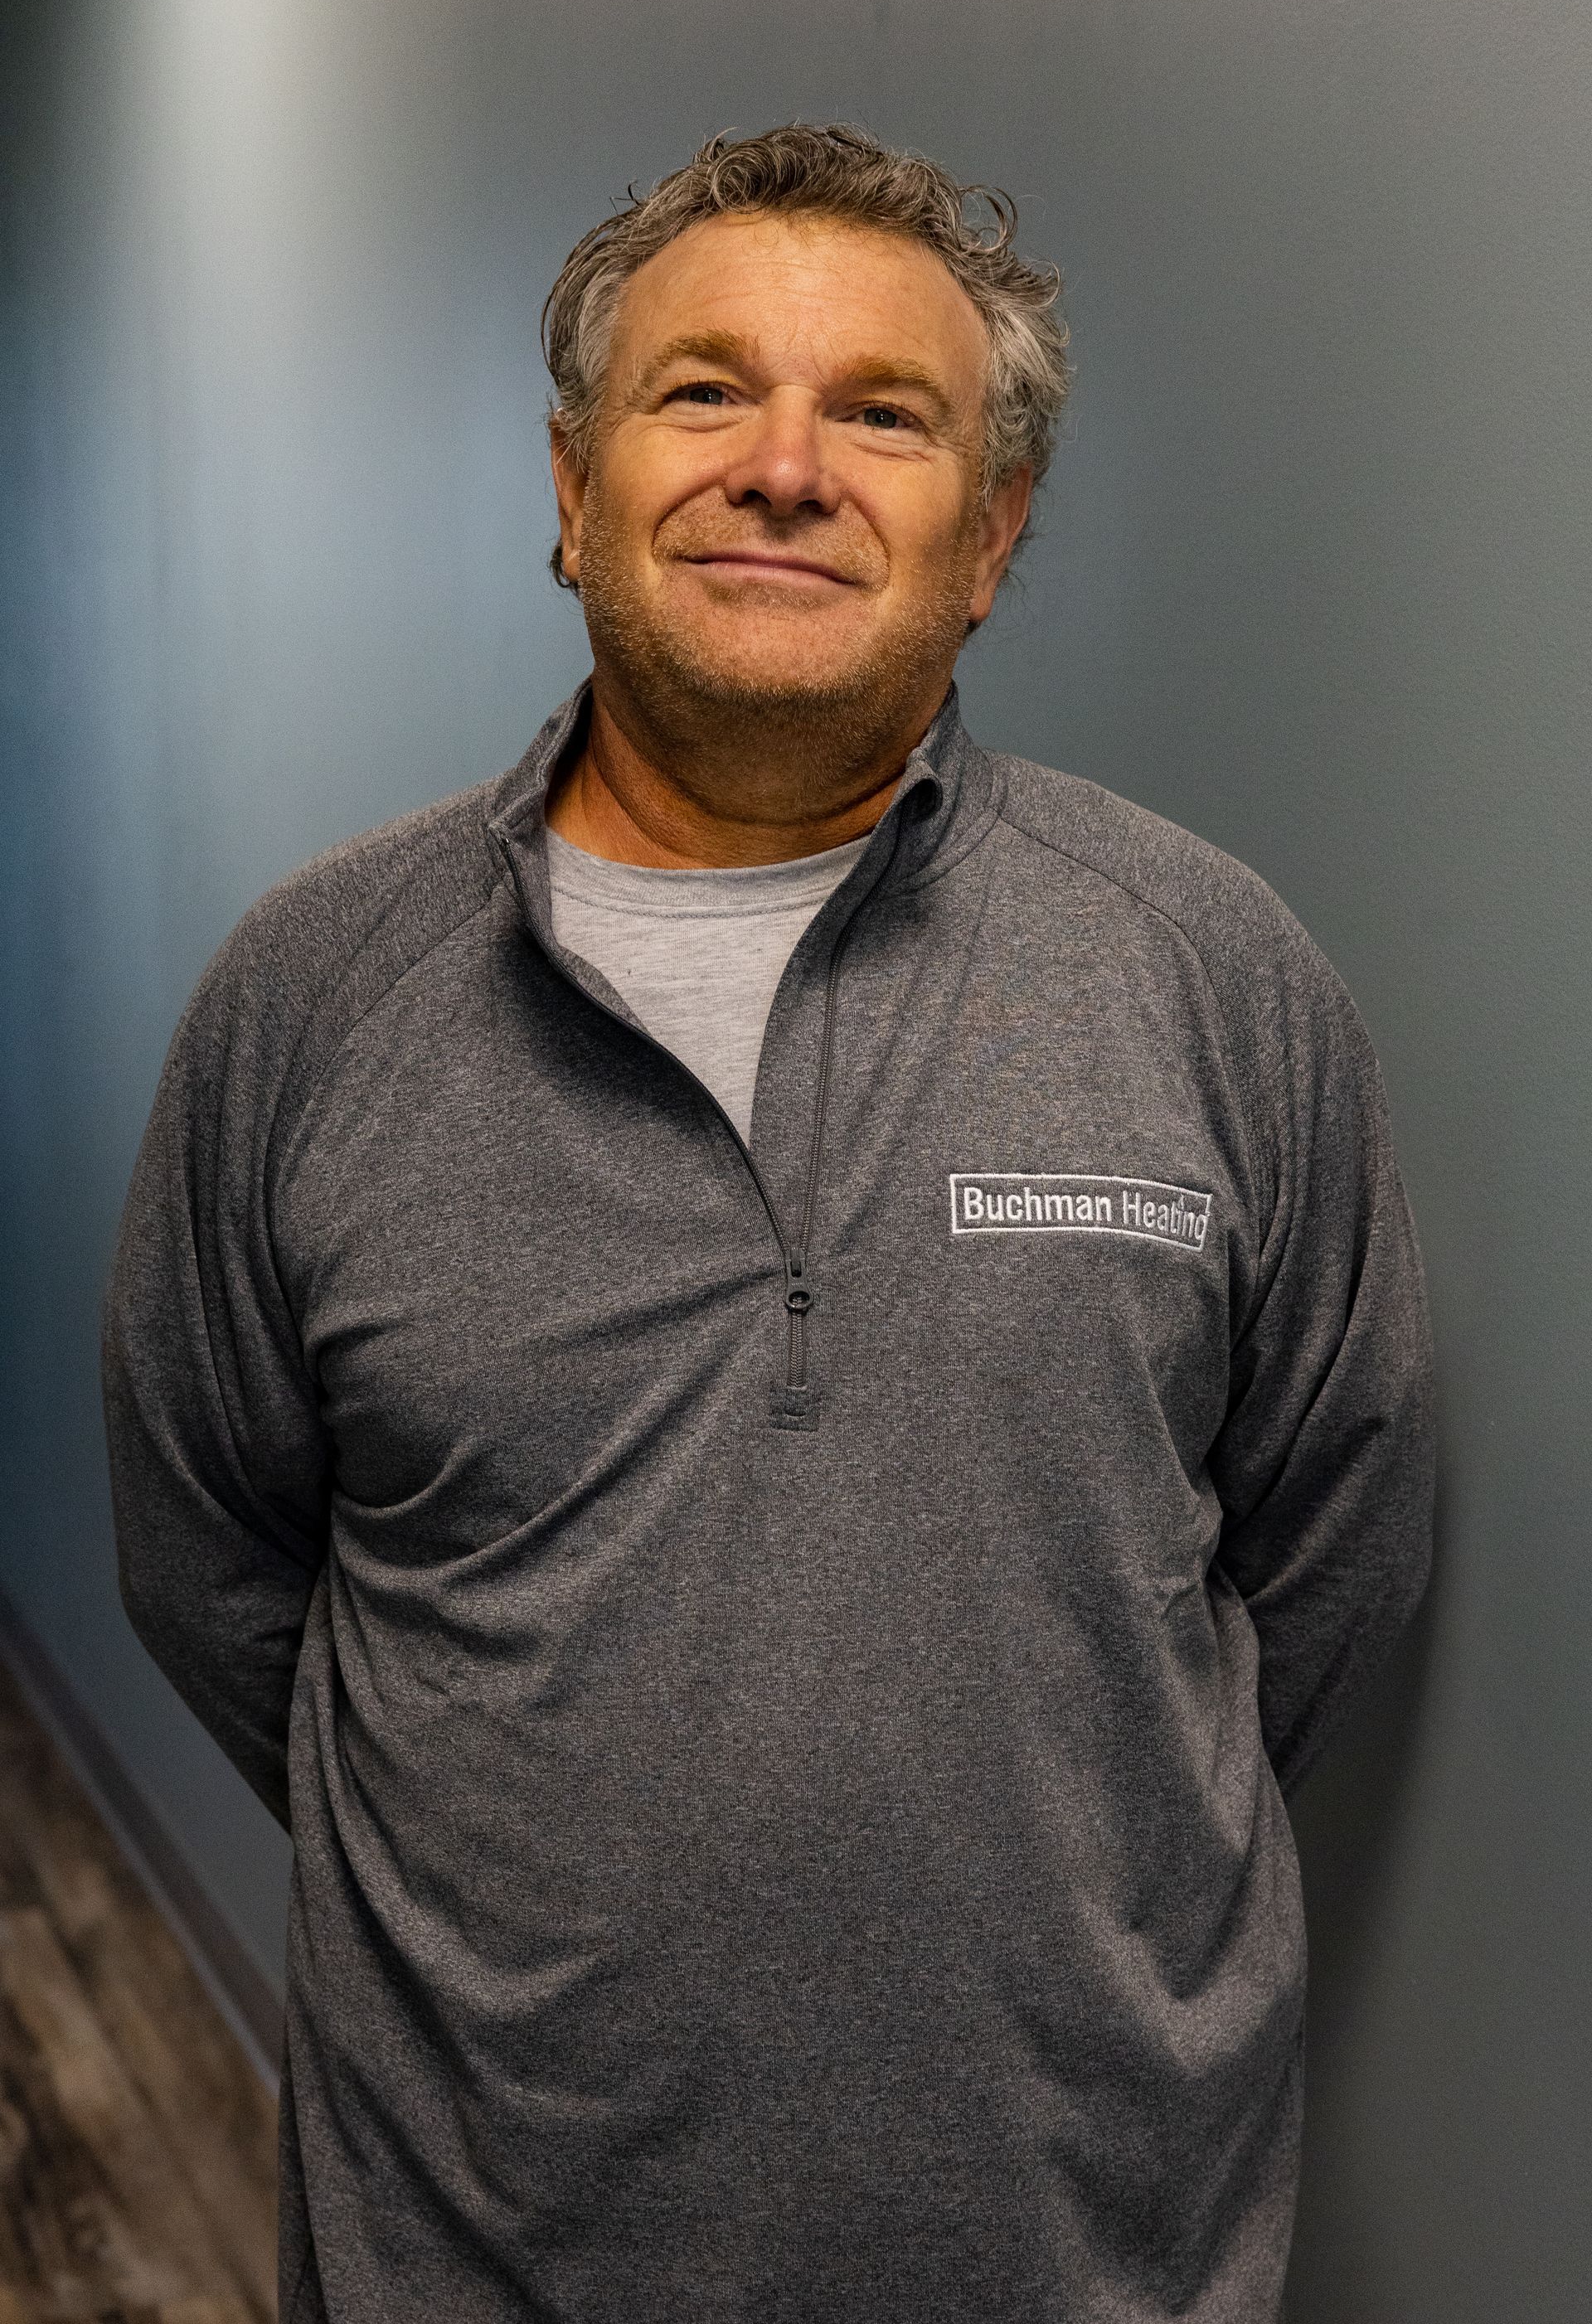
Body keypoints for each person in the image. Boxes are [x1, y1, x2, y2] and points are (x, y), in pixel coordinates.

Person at [103, 124, 1436, 2324]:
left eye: (884, 414)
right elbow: (218, 1575)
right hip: (475, 2248)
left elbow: (1329, 1550)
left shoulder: (1211, 972)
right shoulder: (312, 998)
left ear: (991, 534)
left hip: (1093, 2252)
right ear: (569, 488)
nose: (784, 466)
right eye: (704, 391)